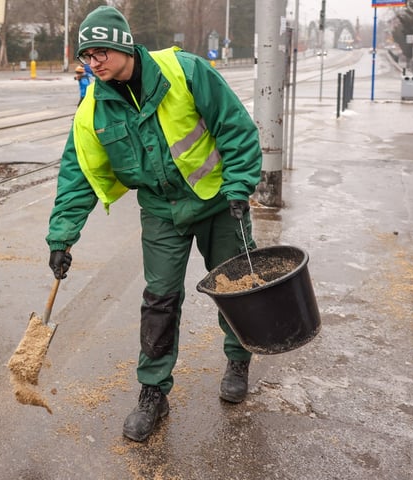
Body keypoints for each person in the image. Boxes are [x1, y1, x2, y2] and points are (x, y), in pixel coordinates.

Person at [45, 6, 262, 442]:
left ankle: (238, 358)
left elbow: (236, 129)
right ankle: (153, 392)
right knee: (159, 300)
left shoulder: (184, 71)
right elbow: (79, 174)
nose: (94, 61)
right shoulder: (93, 110)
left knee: (235, 285)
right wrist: (62, 236)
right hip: (163, 211)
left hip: (219, 200)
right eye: (87, 55)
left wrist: (239, 186)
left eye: (101, 50)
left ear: (124, 44)